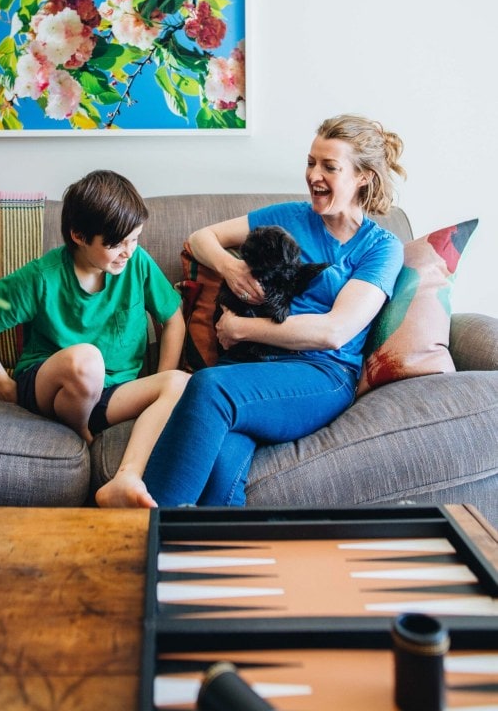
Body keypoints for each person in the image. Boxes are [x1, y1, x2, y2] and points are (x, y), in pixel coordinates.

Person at [140, 114, 406, 507]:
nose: (314, 175)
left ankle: (140, 525)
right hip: (253, 366)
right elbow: (201, 239)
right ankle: (217, 558)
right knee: (223, 461)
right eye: (311, 162)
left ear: (363, 177)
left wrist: (244, 330)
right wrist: (230, 268)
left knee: (210, 387)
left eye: (329, 167)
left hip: (321, 372)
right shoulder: (289, 217)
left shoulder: (381, 248)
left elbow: (334, 331)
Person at [0, 169, 187, 508]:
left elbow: (173, 320)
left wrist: (157, 376)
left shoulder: (136, 262)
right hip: (51, 386)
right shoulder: (45, 275)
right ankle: (75, 428)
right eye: (115, 243)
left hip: (111, 393)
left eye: (134, 238)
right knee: (86, 360)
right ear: (79, 235)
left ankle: (126, 477)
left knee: (180, 383)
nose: (128, 251)